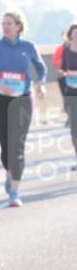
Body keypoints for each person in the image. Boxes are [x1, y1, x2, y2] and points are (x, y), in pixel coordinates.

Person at [0, 10, 47, 207]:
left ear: (19, 26)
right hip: (1, 100)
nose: (5, 26)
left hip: (23, 99)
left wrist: (40, 83)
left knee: (17, 146)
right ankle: (9, 174)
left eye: (9, 23)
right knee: (5, 146)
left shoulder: (29, 47)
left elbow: (41, 68)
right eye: (3, 23)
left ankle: (15, 192)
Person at [54, 21, 77, 168]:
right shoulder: (66, 51)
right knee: (74, 127)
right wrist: (63, 73)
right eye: (75, 33)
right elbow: (61, 69)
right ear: (70, 35)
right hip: (71, 91)